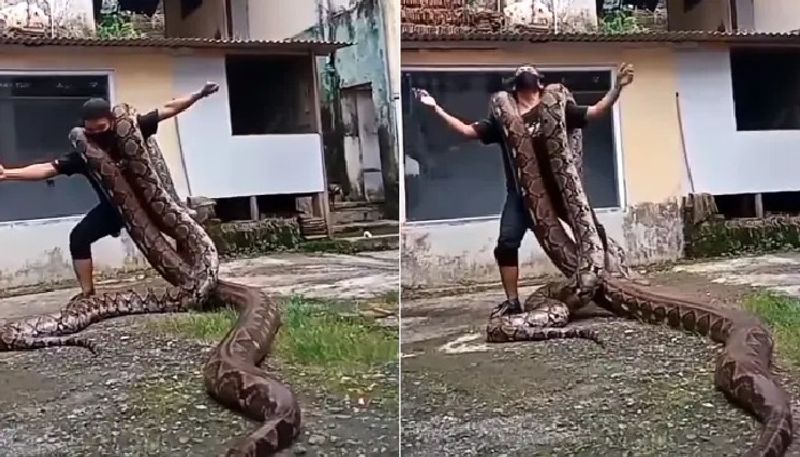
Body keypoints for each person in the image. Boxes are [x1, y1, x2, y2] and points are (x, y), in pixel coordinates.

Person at [415, 63, 634, 318]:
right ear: (516, 87)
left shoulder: (557, 107)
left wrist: (616, 88)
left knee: (594, 232)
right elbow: (467, 131)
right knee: (506, 244)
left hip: (561, 190)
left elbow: (596, 112)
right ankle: (512, 301)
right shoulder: (504, 117)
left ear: (540, 84)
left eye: (530, 74)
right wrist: (436, 109)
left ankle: (613, 281)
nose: (526, 74)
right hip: (521, 195)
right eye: (521, 74)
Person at [0, 81, 220, 298]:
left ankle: (198, 278)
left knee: (182, 229)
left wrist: (197, 95)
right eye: (90, 130)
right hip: (114, 208)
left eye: (101, 128)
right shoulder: (85, 154)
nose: (96, 134)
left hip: (150, 199)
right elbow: (49, 169)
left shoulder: (132, 129)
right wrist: (8, 174)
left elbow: (168, 109)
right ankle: (87, 295)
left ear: (113, 122)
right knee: (78, 237)